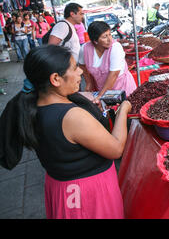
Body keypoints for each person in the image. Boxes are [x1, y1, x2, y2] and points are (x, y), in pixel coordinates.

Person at [0, 45, 132, 218]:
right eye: (75, 68)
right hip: (86, 193)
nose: (80, 73)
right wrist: (123, 110)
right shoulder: (71, 117)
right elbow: (115, 149)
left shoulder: (31, 105)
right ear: (55, 79)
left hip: (62, 188)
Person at [79, 21, 137, 105]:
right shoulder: (84, 49)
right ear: (95, 41)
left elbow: (113, 75)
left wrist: (100, 96)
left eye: (110, 34)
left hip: (122, 89)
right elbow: (82, 65)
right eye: (104, 37)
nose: (110, 39)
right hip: (101, 89)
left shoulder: (116, 47)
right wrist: (89, 82)